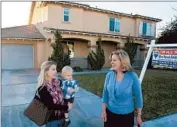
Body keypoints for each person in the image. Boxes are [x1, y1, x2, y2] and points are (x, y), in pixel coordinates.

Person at [101, 49, 143, 127]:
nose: (111, 62)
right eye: (111, 60)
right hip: (110, 113)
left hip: (126, 116)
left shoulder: (132, 76)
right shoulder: (109, 75)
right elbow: (105, 93)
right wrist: (103, 111)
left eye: (114, 60)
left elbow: (138, 96)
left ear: (122, 61)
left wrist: (139, 115)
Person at [35, 61, 68, 127]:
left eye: (55, 69)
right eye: (53, 69)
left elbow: (65, 95)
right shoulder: (42, 88)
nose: (56, 71)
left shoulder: (58, 82)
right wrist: (66, 107)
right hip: (52, 120)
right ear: (46, 71)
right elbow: (50, 106)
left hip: (62, 117)